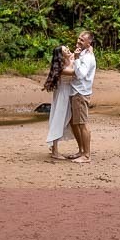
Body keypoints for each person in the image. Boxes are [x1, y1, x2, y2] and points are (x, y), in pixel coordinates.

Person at [65, 30, 96, 164]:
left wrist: (76, 59)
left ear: (89, 43)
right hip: (75, 92)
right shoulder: (82, 52)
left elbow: (81, 74)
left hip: (81, 93)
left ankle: (87, 155)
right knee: (74, 122)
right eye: (78, 39)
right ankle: (81, 151)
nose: (78, 41)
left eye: (82, 40)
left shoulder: (87, 56)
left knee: (82, 123)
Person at [43, 44, 75, 160]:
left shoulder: (67, 62)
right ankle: (55, 151)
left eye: (67, 48)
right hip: (63, 95)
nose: (68, 50)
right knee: (58, 120)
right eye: (65, 50)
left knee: (62, 119)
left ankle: (53, 147)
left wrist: (72, 58)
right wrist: (74, 58)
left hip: (65, 93)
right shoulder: (62, 67)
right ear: (61, 55)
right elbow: (73, 72)